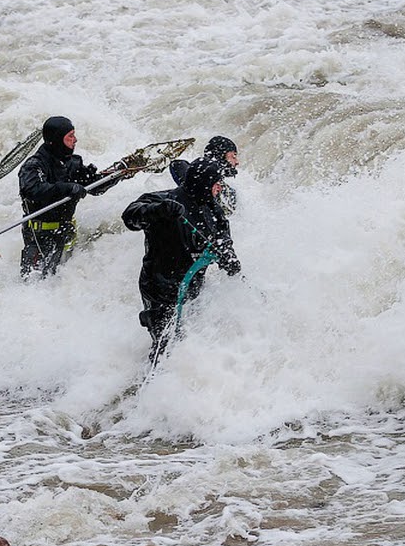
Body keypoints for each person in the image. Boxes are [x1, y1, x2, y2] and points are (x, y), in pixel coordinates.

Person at [122, 157, 242, 364]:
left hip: (192, 288)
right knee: (165, 345)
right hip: (160, 287)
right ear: (204, 184)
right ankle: (151, 381)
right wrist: (157, 211)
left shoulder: (211, 206)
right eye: (216, 183)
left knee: (187, 341)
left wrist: (228, 256)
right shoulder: (163, 200)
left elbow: (223, 235)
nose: (220, 188)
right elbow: (130, 217)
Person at [17, 116, 123, 277]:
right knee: (37, 283)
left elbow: (93, 187)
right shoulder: (34, 165)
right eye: (70, 136)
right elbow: (33, 190)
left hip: (66, 232)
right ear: (57, 139)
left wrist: (117, 175)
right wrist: (66, 188)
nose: (75, 140)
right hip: (39, 237)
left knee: (62, 279)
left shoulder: (72, 163)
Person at [169, 135, 241, 215]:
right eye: (233, 156)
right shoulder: (196, 178)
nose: (237, 162)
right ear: (220, 155)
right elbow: (178, 164)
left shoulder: (229, 193)